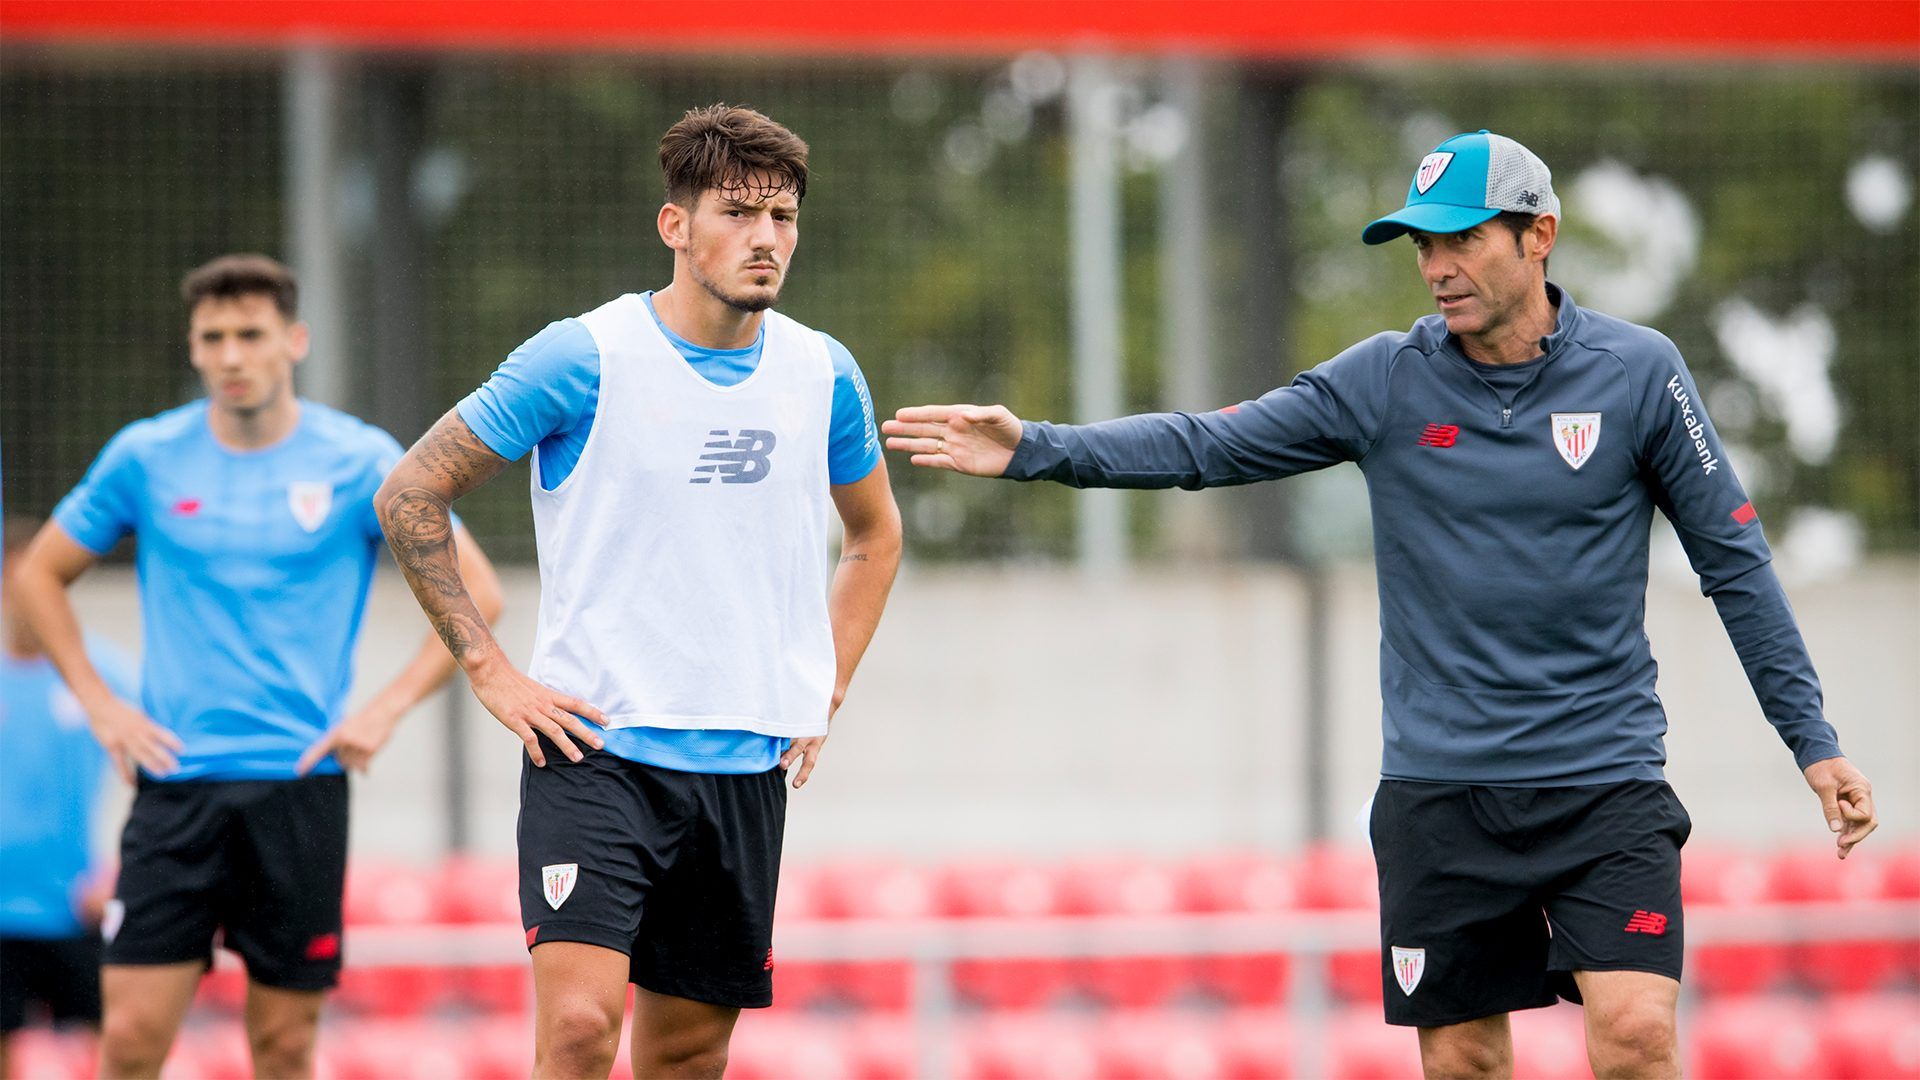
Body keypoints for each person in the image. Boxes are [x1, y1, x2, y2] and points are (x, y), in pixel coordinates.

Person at [882, 130, 1877, 1079]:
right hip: (1439, 794)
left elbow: (1735, 559)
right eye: (1424, 244)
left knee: (1633, 1038)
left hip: (1602, 783)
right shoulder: (1385, 380)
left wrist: (1813, 739)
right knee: (1463, 1060)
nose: (1438, 264)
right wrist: (1038, 448)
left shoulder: (1641, 374)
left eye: (1463, 238)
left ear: (1539, 235)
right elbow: (1207, 445)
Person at [376, 103, 901, 1078]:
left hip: (744, 767)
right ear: (675, 226)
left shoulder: (822, 373)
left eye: (783, 217)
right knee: (579, 1032)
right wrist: (490, 672)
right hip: (596, 752)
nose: (766, 238)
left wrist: (822, 679)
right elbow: (410, 492)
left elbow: (874, 536)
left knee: (690, 1052)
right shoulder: (581, 357)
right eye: (739, 213)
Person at [11, 254, 504, 1080]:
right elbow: (36, 575)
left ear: (294, 341)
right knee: (128, 1039)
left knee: (281, 1046)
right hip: (175, 791)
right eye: (214, 337)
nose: (233, 354)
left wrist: (383, 709)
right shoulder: (146, 456)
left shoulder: (357, 459)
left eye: (251, 334)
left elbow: (479, 594)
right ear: (195, 349)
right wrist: (98, 703)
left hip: (299, 789)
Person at [0, 515, 138, 1079]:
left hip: (76, 906)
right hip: (2, 912)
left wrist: (124, 874)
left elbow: (166, 777)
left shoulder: (104, 677)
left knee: (121, 1049)